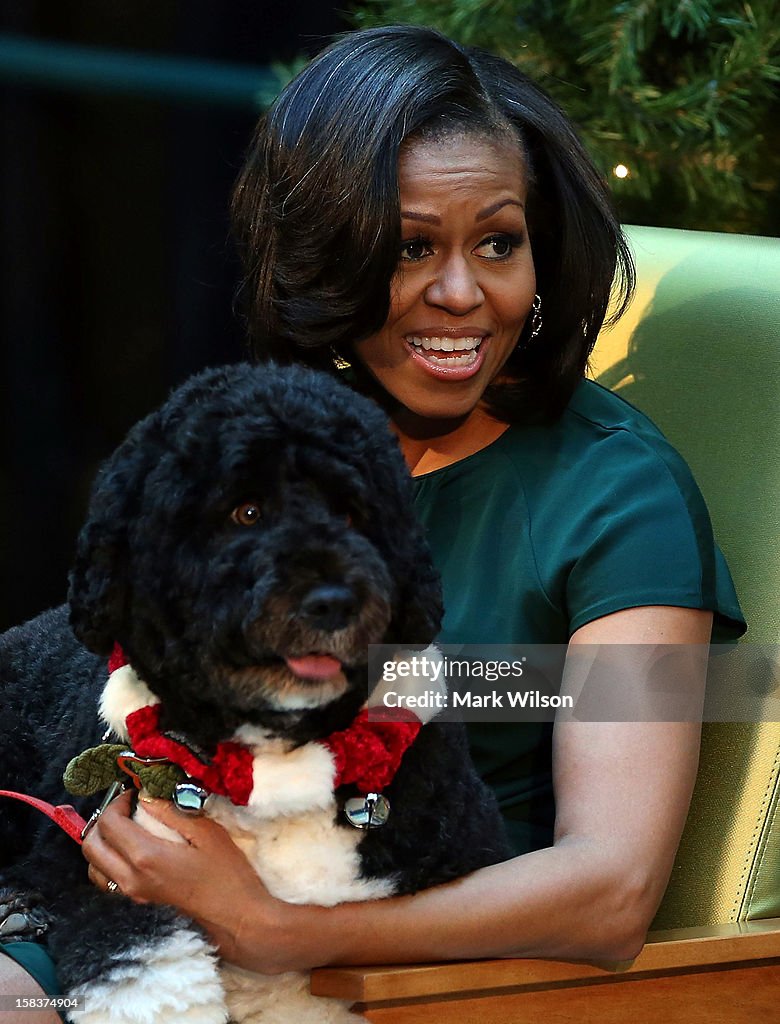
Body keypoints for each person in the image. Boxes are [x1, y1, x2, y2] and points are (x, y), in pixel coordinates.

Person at [1, 23, 745, 1014]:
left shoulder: (622, 498)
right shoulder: (280, 437)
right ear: (328, 252)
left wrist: (278, 926)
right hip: (117, 902)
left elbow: (610, 892)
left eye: (498, 242)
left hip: (393, 969)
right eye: (410, 248)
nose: (460, 294)